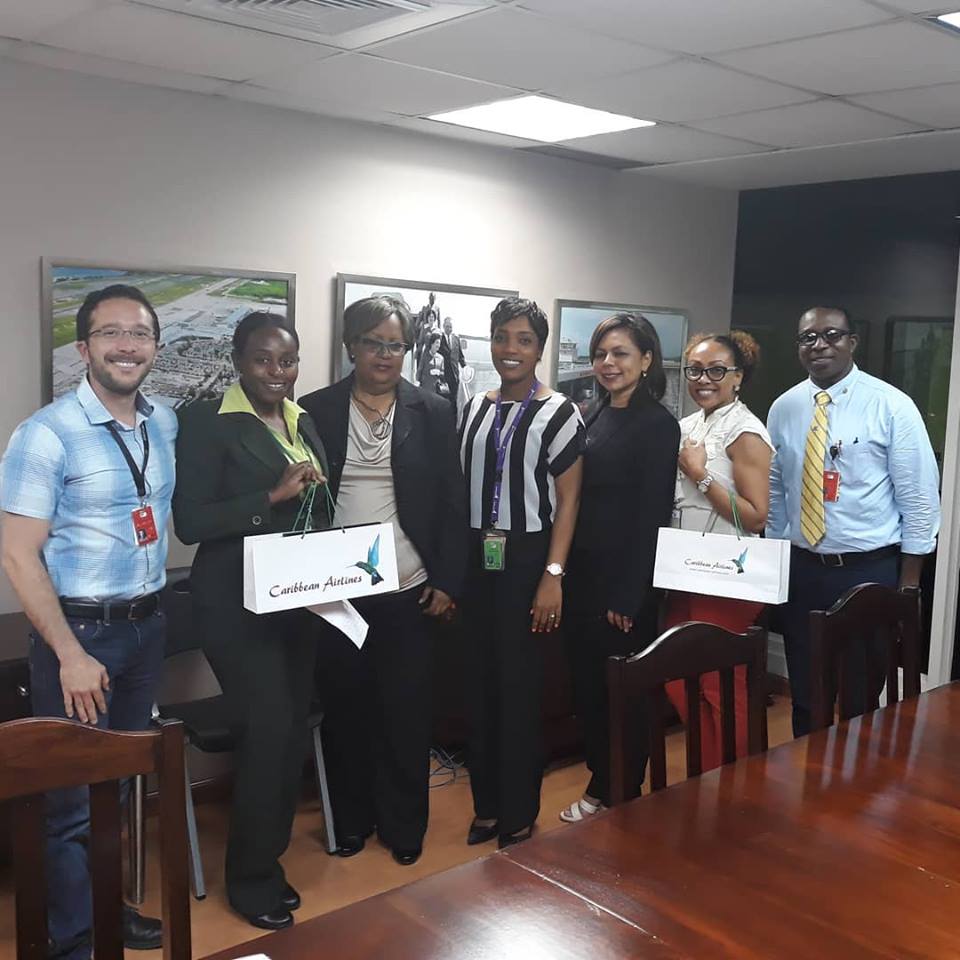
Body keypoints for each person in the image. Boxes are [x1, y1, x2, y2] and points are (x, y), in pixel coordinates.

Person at [0, 284, 177, 960]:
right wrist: (70, 655)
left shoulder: (164, 423)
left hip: (146, 626)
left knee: (117, 786)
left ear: (155, 346)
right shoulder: (45, 435)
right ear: (83, 348)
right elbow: (17, 555)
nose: (127, 345)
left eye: (140, 333)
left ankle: (104, 911)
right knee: (70, 800)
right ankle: (73, 941)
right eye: (110, 333)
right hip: (79, 638)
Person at [173, 312, 329, 931]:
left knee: (289, 733)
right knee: (266, 732)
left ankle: (267, 858)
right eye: (263, 359)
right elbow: (191, 523)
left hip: (297, 598)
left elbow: (315, 510)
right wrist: (270, 497)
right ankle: (249, 879)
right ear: (238, 360)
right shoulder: (205, 422)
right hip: (234, 606)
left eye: (287, 360)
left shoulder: (301, 420)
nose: (277, 372)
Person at [300, 295, 466, 867]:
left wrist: (448, 580)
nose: (385, 355)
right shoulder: (315, 410)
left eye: (396, 345)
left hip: (408, 585)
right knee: (346, 711)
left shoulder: (433, 410)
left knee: (406, 713)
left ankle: (404, 826)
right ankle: (349, 821)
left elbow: (452, 502)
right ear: (352, 346)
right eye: (374, 343)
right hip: (336, 593)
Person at [767, 307, 940, 737]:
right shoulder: (784, 407)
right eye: (808, 337)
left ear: (852, 341)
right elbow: (777, 493)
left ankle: (855, 776)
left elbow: (919, 499)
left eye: (831, 335)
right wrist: (775, 564)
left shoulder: (891, 405)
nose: (819, 345)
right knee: (807, 693)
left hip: (868, 572)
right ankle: (809, 771)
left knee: (860, 696)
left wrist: (909, 587)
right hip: (803, 570)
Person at [459, 296, 584, 849]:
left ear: (539, 348)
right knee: (478, 687)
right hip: (477, 558)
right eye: (502, 337)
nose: (511, 349)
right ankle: (486, 806)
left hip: (530, 558)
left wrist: (553, 574)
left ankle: (517, 813)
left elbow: (570, 499)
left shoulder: (558, 411)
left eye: (524, 340)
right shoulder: (474, 406)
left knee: (518, 690)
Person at [560, 314, 679, 822]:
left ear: (646, 360)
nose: (608, 363)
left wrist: (630, 595)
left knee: (622, 698)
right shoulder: (594, 415)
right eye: (601, 354)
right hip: (584, 581)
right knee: (589, 692)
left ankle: (618, 794)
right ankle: (602, 782)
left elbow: (652, 516)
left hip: (623, 590)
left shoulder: (658, 425)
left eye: (621, 353)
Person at [664, 330, 774, 769]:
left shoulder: (745, 431)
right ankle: (708, 772)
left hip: (728, 575)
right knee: (677, 675)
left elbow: (755, 516)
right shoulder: (688, 425)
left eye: (716, 370)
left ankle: (734, 783)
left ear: (738, 376)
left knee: (719, 684)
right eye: (695, 370)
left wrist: (700, 474)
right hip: (684, 568)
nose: (703, 380)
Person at [439, 316, 466, 402]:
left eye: (450, 327)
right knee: (443, 400)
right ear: (443, 327)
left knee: (454, 400)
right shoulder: (439, 339)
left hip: (455, 375)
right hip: (444, 376)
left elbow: (460, 356)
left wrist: (465, 368)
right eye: (447, 326)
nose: (449, 329)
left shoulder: (456, 339)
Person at [416, 330, 449, 397]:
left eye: (439, 343)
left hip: (436, 391)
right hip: (425, 389)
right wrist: (418, 382)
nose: (438, 345)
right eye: (437, 343)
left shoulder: (441, 358)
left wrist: (438, 372)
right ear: (432, 343)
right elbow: (419, 371)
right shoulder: (425, 356)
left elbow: (443, 374)